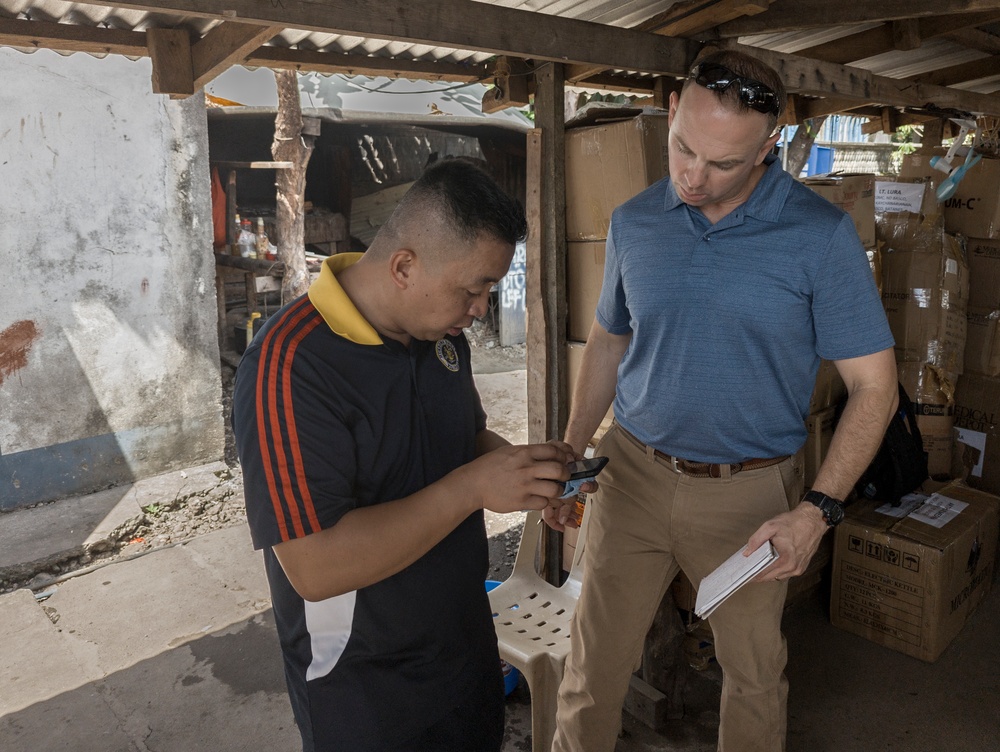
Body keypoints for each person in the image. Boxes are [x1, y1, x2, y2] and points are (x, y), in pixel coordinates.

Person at [546, 50, 898, 752]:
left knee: (755, 679)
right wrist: (570, 452)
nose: (692, 176)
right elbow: (609, 342)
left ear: (768, 147)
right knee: (592, 669)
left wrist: (817, 512)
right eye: (683, 148)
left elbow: (874, 388)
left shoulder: (819, 238)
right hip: (632, 477)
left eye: (723, 164)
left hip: (752, 498)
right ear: (671, 113)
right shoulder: (634, 221)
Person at [232, 159, 580, 752]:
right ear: (403, 266)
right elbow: (315, 567)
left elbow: (464, 440)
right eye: (472, 291)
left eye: (489, 291)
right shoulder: (289, 367)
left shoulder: (440, 341)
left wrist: (528, 476)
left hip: (465, 646)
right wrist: (473, 488)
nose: (479, 310)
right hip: (364, 683)